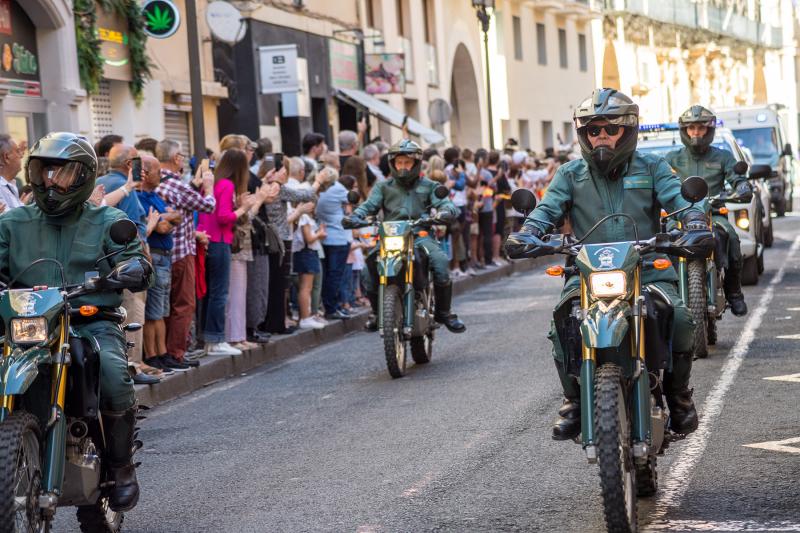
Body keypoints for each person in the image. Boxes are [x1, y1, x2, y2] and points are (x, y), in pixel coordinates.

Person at [510, 88, 708, 439]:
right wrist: (528, 233)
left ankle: (679, 395)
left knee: (679, 318)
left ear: (628, 130)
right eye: (593, 130)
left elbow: (678, 199)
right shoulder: (570, 174)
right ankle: (573, 399)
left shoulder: (653, 166)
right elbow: (546, 209)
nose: (600, 136)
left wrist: (691, 221)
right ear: (583, 134)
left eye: (609, 129)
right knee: (561, 325)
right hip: (587, 274)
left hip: (647, 268)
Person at [0, 132, 152, 511]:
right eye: (44, 171)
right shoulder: (12, 222)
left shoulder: (109, 219)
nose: (51, 181)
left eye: (61, 173)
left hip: (88, 319)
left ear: (83, 176)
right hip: (28, 324)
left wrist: (128, 269)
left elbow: (134, 258)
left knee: (114, 374)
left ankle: (120, 466)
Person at [344, 139, 466, 334]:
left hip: (420, 235)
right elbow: (369, 206)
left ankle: (444, 312)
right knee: (369, 267)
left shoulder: (429, 185)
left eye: (406, 162)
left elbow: (445, 203)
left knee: (441, 262)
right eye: (398, 162)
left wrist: (446, 212)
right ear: (392, 164)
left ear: (415, 163)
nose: (402, 167)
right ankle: (376, 312)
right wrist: (356, 215)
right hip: (390, 237)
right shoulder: (383, 187)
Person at [665, 105, 749, 316]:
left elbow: (736, 177)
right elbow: (660, 183)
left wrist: (742, 186)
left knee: (732, 238)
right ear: (684, 130)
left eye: (701, 128)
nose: (696, 132)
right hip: (678, 217)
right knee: (661, 242)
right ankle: (665, 294)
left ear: (709, 130)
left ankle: (734, 293)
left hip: (713, 215)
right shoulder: (672, 158)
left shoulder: (722, 157)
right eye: (691, 128)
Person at [156, 139, 216, 364]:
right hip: (181, 250)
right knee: (183, 303)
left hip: (164, 249)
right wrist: (208, 187)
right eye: (181, 155)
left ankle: (165, 351)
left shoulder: (158, 181)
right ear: (176, 159)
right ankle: (176, 352)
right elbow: (207, 206)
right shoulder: (176, 184)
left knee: (165, 305)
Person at [197, 148, 256, 355]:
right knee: (219, 292)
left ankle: (208, 338)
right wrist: (243, 208)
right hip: (219, 241)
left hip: (206, 239)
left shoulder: (213, 184)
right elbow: (223, 217)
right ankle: (216, 339)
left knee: (210, 292)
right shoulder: (227, 184)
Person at [0, 134, 24, 210]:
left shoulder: (10, 184)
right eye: (17, 151)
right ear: (6, 157)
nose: (21, 155)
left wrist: (24, 209)